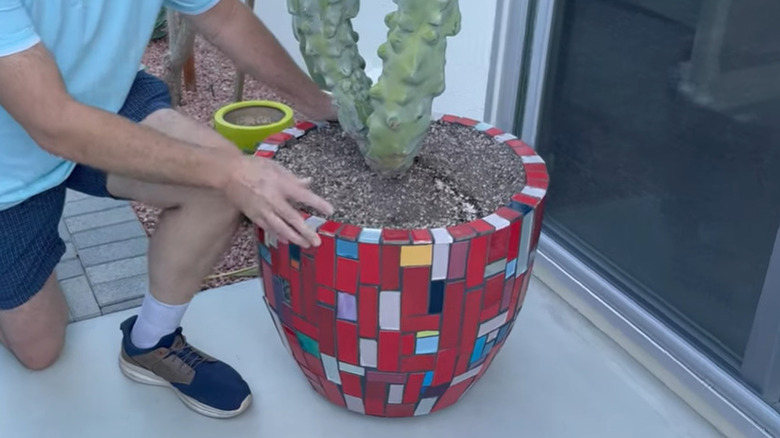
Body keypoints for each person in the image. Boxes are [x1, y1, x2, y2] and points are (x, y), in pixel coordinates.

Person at [0, 0, 337, 419]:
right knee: (39, 351)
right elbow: (53, 123)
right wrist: (233, 170)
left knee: (217, 186)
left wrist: (325, 106)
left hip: (107, 99)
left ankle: (151, 341)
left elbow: (228, 19)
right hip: (10, 165)